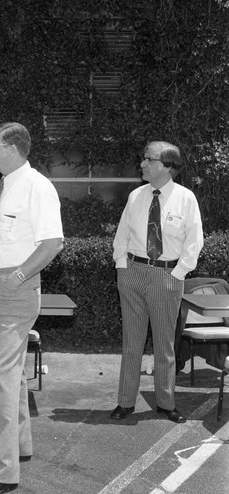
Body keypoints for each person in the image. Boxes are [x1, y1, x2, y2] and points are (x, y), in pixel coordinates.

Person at [0, 122, 64, 494]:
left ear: (12, 147)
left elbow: (52, 243)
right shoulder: (6, 185)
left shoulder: (37, 187)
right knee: (15, 374)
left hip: (13, 289)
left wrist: (18, 275)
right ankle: (17, 447)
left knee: (3, 378)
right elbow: (2, 238)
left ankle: (3, 472)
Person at [110, 140, 203, 424]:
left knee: (164, 345)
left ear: (167, 166)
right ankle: (125, 403)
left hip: (167, 276)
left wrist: (177, 273)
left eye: (149, 160)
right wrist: (121, 266)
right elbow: (122, 233)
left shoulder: (185, 198)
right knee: (131, 343)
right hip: (133, 273)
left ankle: (165, 403)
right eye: (144, 159)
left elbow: (194, 241)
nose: (142, 164)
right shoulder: (136, 195)